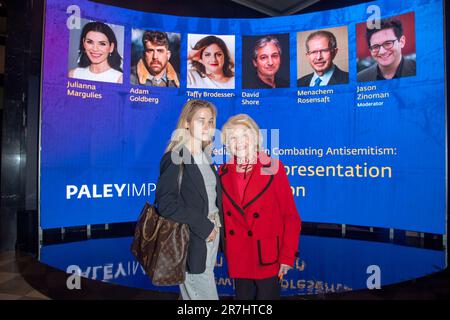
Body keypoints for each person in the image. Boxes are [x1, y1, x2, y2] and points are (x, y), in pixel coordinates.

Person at [219, 114, 301, 300]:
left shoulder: (273, 167)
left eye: (245, 135)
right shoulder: (222, 172)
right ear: (225, 144)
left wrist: (288, 257)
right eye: (232, 137)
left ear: (256, 138)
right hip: (239, 254)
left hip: (267, 255)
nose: (239, 142)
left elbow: (291, 216)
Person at [155, 99, 224, 300]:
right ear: (186, 123)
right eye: (200, 120)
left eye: (210, 121)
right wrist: (203, 226)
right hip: (194, 237)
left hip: (212, 234)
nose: (207, 126)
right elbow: (166, 203)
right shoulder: (176, 156)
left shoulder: (205, 156)